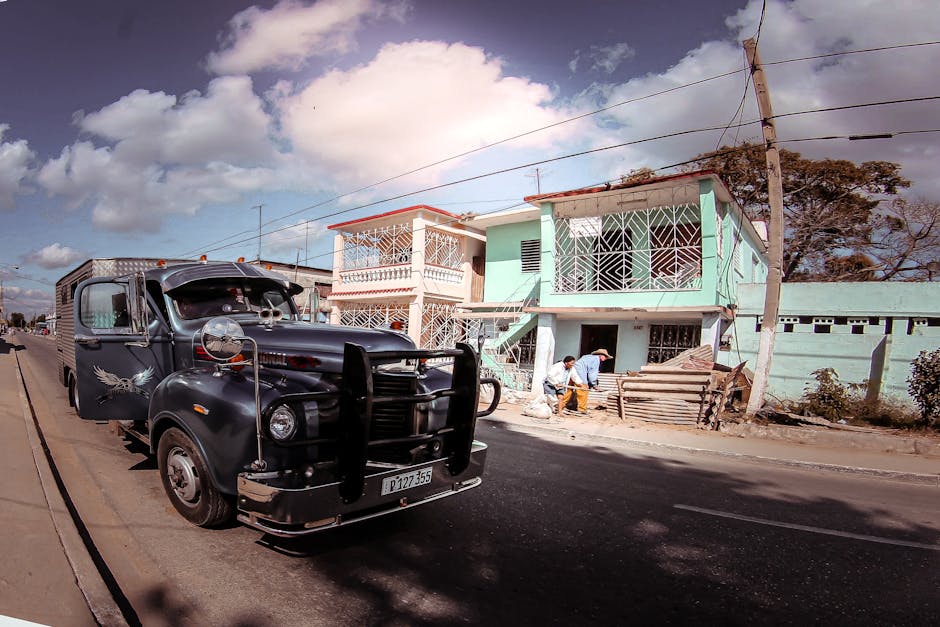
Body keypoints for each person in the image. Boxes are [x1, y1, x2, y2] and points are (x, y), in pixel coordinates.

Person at [568, 348, 614, 414]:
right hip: (579, 373)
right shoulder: (596, 360)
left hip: (572, 371)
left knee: (570, 389)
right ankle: (582, 409)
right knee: (583, 389)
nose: (606, 359)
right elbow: (592, 374)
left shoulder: (588, 357)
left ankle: (564, 405)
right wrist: (594, 384)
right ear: (601, 356)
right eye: (606, 357)